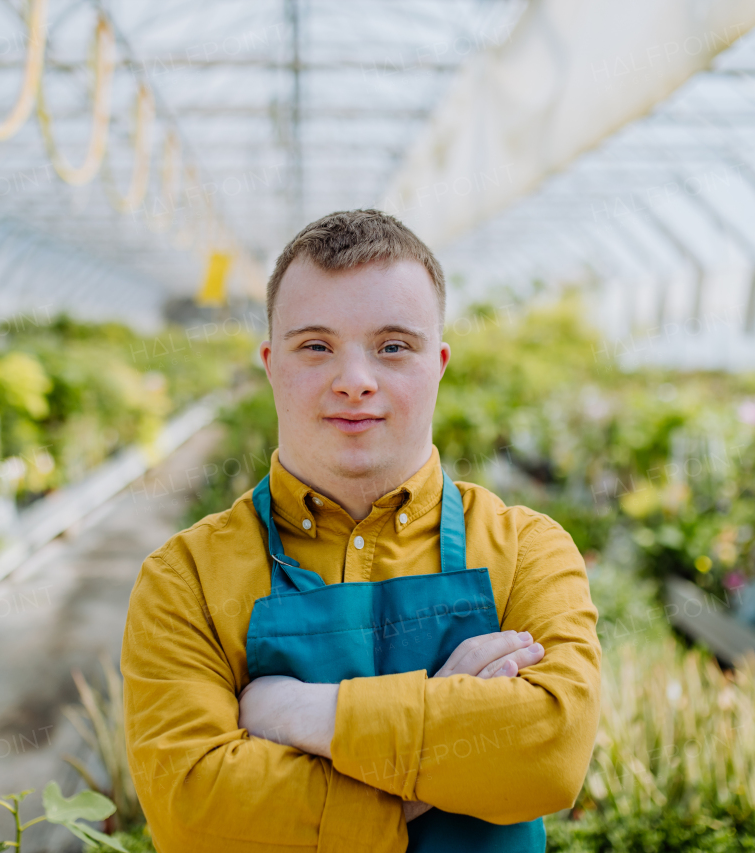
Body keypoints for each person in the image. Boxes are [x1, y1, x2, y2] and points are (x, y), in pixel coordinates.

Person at [121, 209, 601, 852]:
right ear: (270, 363)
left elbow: (550, 755)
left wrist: (298, 714)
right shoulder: (185, 581)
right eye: (315, 346)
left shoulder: (528, 550)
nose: (354, 382)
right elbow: (195, 811)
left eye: (393, 346)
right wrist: (443, 740)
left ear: (439, 362)